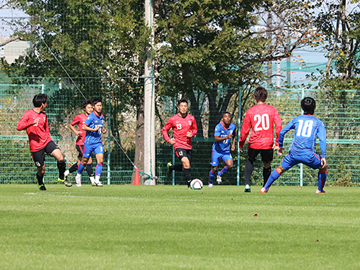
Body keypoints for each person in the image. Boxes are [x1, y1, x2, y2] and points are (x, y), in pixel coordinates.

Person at [260, 97, 327, 193]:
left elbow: (282, 132)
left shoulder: (296, 119)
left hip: (293, 154)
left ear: (302, 107)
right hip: (308, 154)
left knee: (280, 169)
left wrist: (280, 145)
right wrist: (323, 156)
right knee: (324, 166)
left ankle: (264, 188)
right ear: (314, 107)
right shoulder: (318, 122)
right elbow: (322, 140)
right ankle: (320, 190)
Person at [17, 93, 72, 190]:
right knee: (41, 170)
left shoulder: (44, 115)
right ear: (42, 104)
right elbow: (19, 127)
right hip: (35, 146)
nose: (47, 104)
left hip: (46, 142)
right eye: (46, 103)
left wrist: (48, 139)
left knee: (60, 158)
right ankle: (40, 182)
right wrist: (31, 123)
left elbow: (46, 129)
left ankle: (61, 177)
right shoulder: (28, 114)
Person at [239, 86, 282, 192]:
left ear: (255, 97)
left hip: (254, 142)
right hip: (268, 143)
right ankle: (265, 187)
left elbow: (245, 130)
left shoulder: (250, 111)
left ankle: (247, 185)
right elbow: (279, 126)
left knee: (250, 160)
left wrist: (241, 143)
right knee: (267, 164)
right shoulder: (272, 110)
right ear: (266, 97)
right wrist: (277, 142)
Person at [162, 98, 198, 187]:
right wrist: (168, 139)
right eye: (181, 106)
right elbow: (164, 130)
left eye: (185, 106)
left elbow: (195, 129)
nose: (183, 108)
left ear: (187, 107)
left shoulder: (191, 118)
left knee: (186, 166)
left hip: (188, 145)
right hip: (178, 145)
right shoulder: (173, 119)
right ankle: (190, 184)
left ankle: (171, 167)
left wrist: (192, 134)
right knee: (186, 162)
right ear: (178, 107)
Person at [75, 98, 106, 187]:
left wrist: (102, 130)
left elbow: (99, 126)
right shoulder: (91, 116)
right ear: (94, 107)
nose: (99, 107)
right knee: (84, 161)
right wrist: (93, 129)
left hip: (98, 142)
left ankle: (97, 180)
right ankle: (78, 176)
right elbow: (84, 127)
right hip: (89, 143)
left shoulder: (102, 116)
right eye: (97, 106)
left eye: (100, 105)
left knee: (100, 160)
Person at [65, 99, 95, 185]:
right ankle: (93, 181)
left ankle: (66, 172)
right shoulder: (80, 117)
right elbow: (71, 125)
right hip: (81, 143)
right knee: (88, 160)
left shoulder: (93, 117)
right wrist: (76, 132)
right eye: (88, 107)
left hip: (89, 143)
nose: (90, 109)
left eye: (91, 108)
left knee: (80, 162)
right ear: (84, 108)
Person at [208, 112, 236, 187]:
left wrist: (233, 144)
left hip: (226, 151)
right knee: (214, 168)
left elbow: (234, 135)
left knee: (230, 165)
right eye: (225, 117)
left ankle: (219, 174)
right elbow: (216, 139)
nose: (227, 118)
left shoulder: (233, 126)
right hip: (216, 150)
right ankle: (210, 182)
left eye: (229, 117)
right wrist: (226, 137)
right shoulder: (218, 127)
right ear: (222, 119)